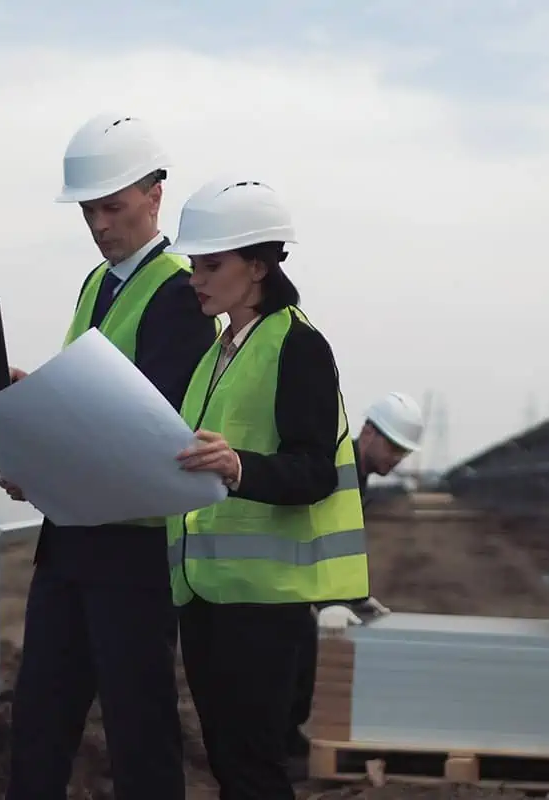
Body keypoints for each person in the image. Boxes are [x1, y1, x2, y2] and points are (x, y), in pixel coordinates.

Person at [0, 112, 218, 800]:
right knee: (38, 723)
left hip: (135, 553)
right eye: (87, 211)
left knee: (138, 731)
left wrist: (46, 446)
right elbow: (87, 409)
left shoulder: (181, 294)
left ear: (154, 195)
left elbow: (148, 438)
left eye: (112, 207)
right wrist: (18, 419)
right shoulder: (96, 285)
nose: (99, 225)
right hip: (70, 542)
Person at [168, 176, 370, 800]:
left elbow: (314, 470)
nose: (196, 279)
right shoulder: (219, 352)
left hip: (264, 603)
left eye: (211, 265)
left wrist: (239, 467)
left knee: (254, 769)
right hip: (207, 594)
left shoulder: (298, 345)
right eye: (194, 266)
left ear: (257, 266)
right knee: (231, 766)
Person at [286, 391, 426, 764]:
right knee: (292, 655)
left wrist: (354, 598)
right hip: (282, 574)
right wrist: (330, 601)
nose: (396, 458)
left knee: (304, 654)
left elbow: (339, 543)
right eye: (393, 447)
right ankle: (275, 750)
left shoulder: (357, 476)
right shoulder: (335, 469)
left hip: (302, 579)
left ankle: (287, 740)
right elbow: (313, 534)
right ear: (368, 432)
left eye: (403, 452)